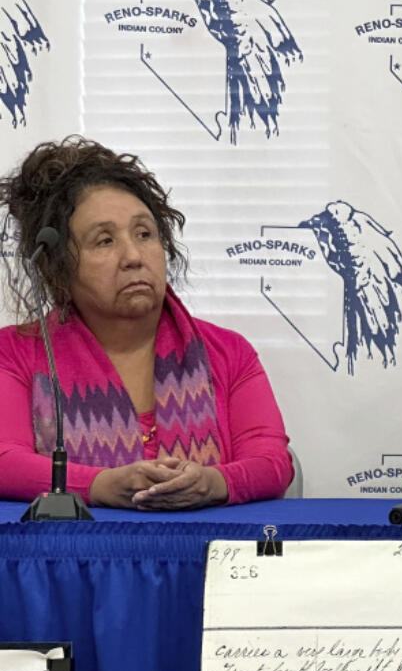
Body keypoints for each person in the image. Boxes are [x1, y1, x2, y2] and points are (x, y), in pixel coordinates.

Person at [0, 136, 293, 508]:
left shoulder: (229, 352)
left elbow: (272, 462)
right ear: (56, 267)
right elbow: (4, 462)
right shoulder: (15, 352)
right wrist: (101, 485)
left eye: (144, 234)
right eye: (104, 241)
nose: (134, 256)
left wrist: (212, 482)